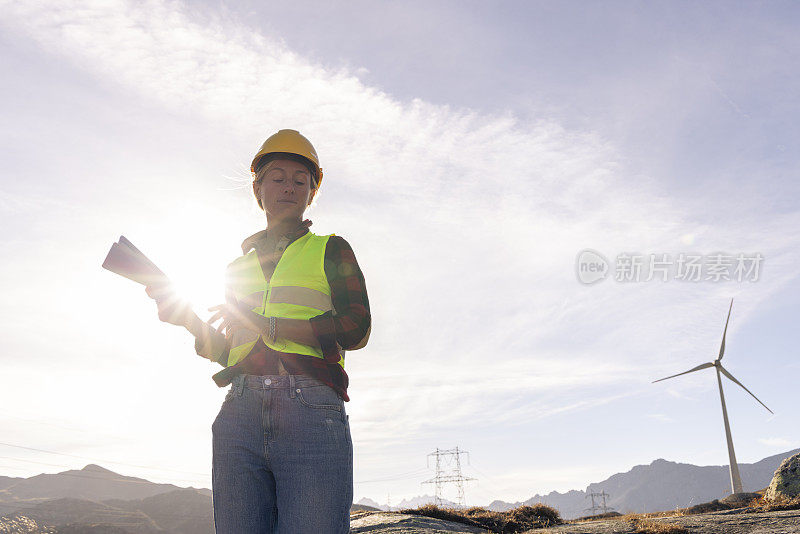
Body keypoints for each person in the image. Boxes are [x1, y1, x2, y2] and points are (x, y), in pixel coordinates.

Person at [145, 129, 371, 533]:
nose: (289, 186)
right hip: (240, 409)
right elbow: (232, 350)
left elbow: (356, 329)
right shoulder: (235, 268)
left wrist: (271, 324)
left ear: (311, 194)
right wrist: (184, 319)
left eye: (300, 181)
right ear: (258, 190)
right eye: (277, 177)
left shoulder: (331, 249)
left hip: (311, 408)